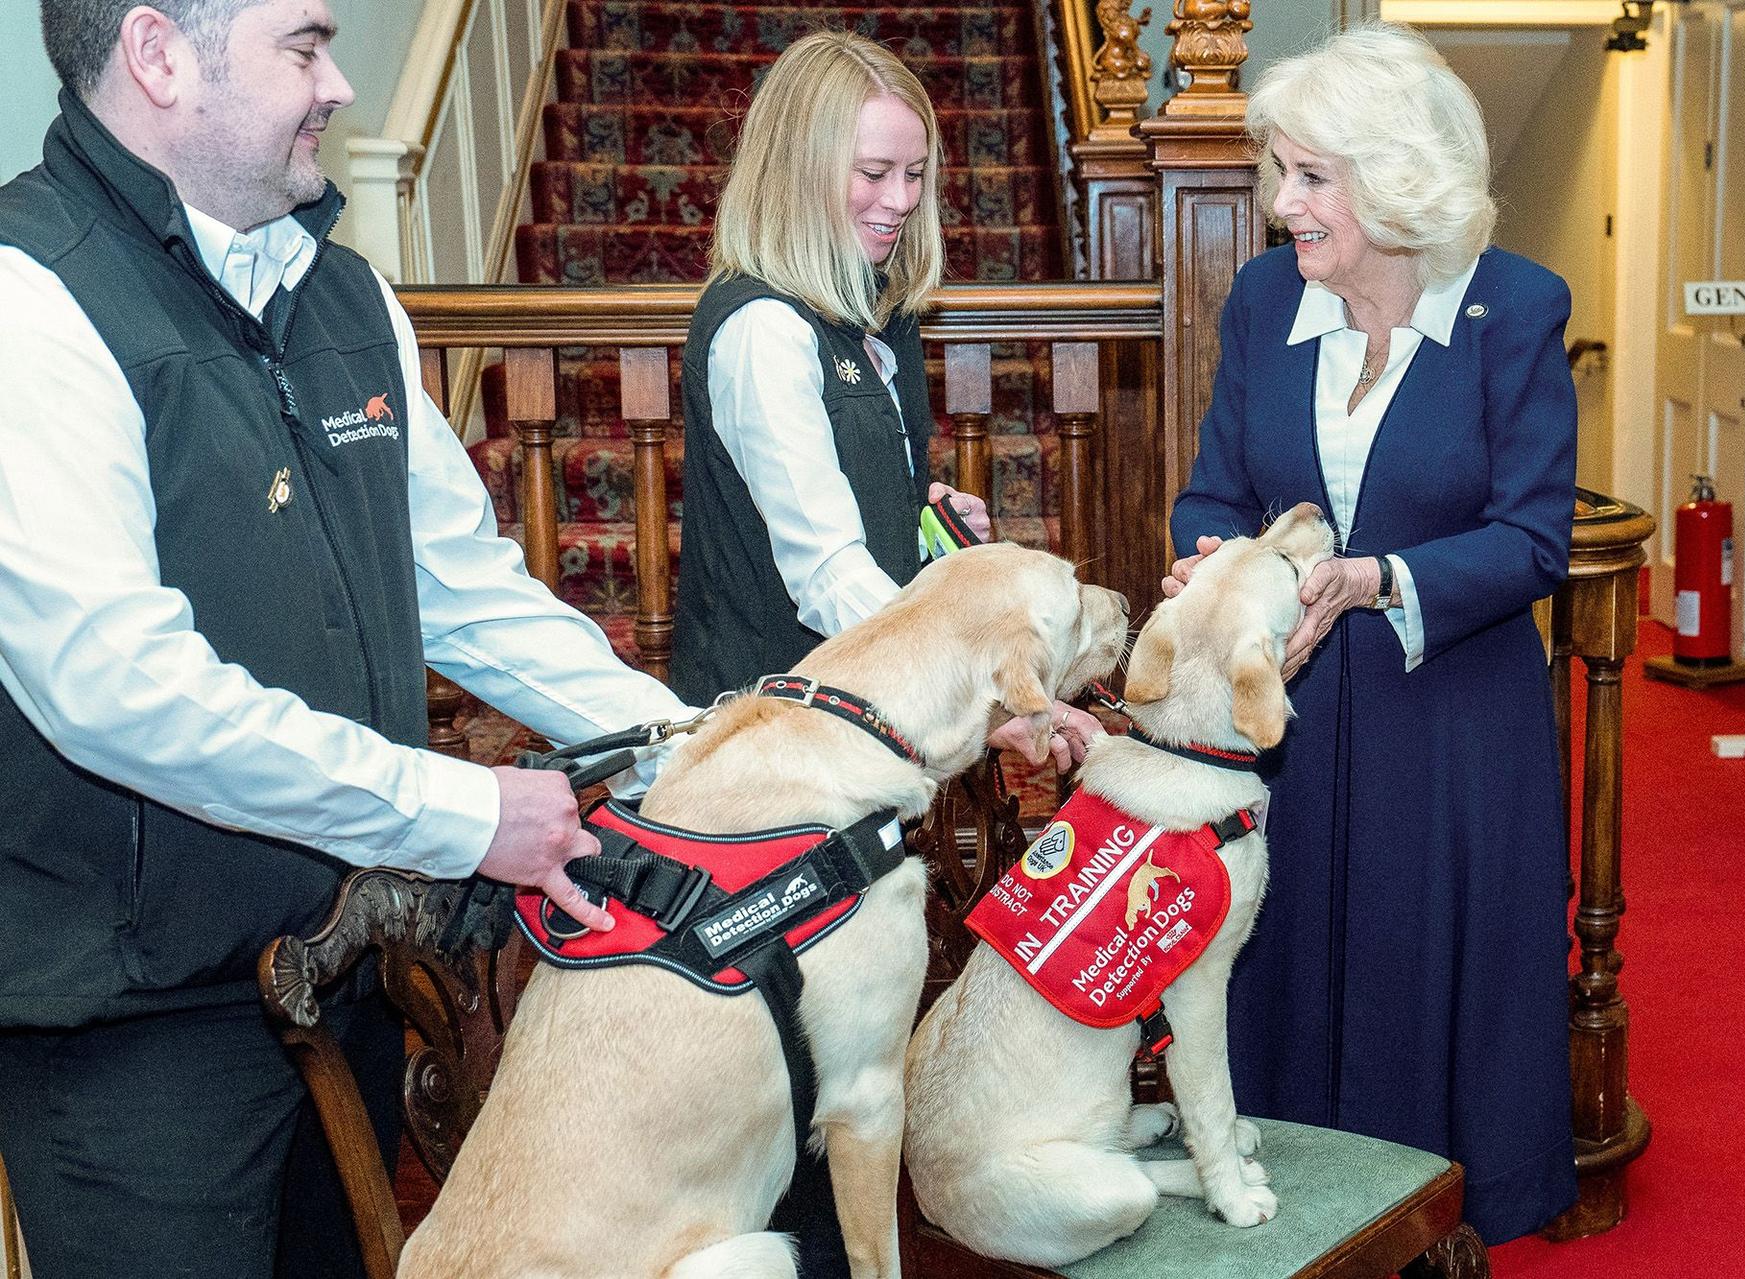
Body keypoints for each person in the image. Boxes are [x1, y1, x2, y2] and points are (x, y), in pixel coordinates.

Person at [0, 3, 697, 1276]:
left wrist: (690, 747)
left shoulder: (346, 289)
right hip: (136, 1028)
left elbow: (464, 588)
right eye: (305, 47)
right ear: (159, 56)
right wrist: (459, 809)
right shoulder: (27, 293)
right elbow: (114, 685)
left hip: (347, 973)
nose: (338, 86)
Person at [666, 30, 1102, 1276]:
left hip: (858, 738)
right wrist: (990, 674)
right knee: (787, 1070)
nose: (897, 203)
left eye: (915, 177)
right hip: (775, 754)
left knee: (843, 1062)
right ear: (798, 165)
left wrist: (936, 527)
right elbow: (829, 578)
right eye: (871, 173)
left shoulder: (871, 324)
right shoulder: (759, 330)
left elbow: (875, 524)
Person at [1164, 24, 1579, 1244]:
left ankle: (1442, 1210)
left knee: (1427, 968)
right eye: (1278, 172)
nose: (1280, 205)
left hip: (1453, 724)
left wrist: (1382, 577)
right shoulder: (1260, 303)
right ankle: (1293, 1208)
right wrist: (1216, 568)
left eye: (1309, 177)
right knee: (1285, 961)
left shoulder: (1517, 308)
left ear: (1396, 181)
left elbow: (1532, 537)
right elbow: (1212, 493)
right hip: (1287, 717)